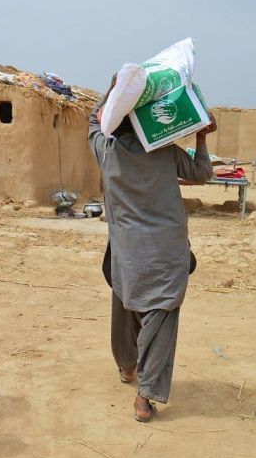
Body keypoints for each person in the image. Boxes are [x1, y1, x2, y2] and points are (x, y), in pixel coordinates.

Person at [88, 77, 214, 422]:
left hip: (128, 252)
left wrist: (114, 88)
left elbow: (93, 122)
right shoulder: (165, 150)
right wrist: (201, 136)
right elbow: (203, 173)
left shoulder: (106, 151)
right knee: (160, 316)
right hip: (168, 251)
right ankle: (144, 398)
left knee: (126, 305)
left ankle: (127, 366)